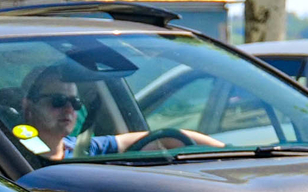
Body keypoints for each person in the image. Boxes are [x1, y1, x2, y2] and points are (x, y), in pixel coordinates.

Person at [20, 66, 216, 160]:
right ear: (28, 107)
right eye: (58, 101)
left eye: (75, 102)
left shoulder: (83, 148)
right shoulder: (14, 155)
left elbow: (166, 138)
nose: (69, 109)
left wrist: (227, 150)